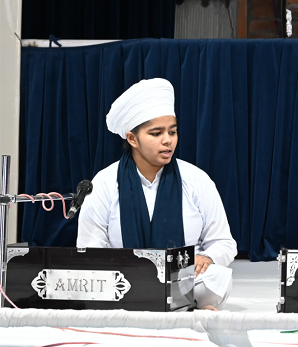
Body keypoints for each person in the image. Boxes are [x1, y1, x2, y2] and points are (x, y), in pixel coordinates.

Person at [77, 79, 237, 310]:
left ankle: (175, 302)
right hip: (123, 279)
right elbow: (90, 248)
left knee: (217, 277)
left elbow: (223, 242)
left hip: (184, 278)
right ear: (132, 138)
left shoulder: (196, 179)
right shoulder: (104, 182)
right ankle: (185, 307)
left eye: (172, 132)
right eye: (156, 133)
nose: (167, 140)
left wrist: (208, 258)